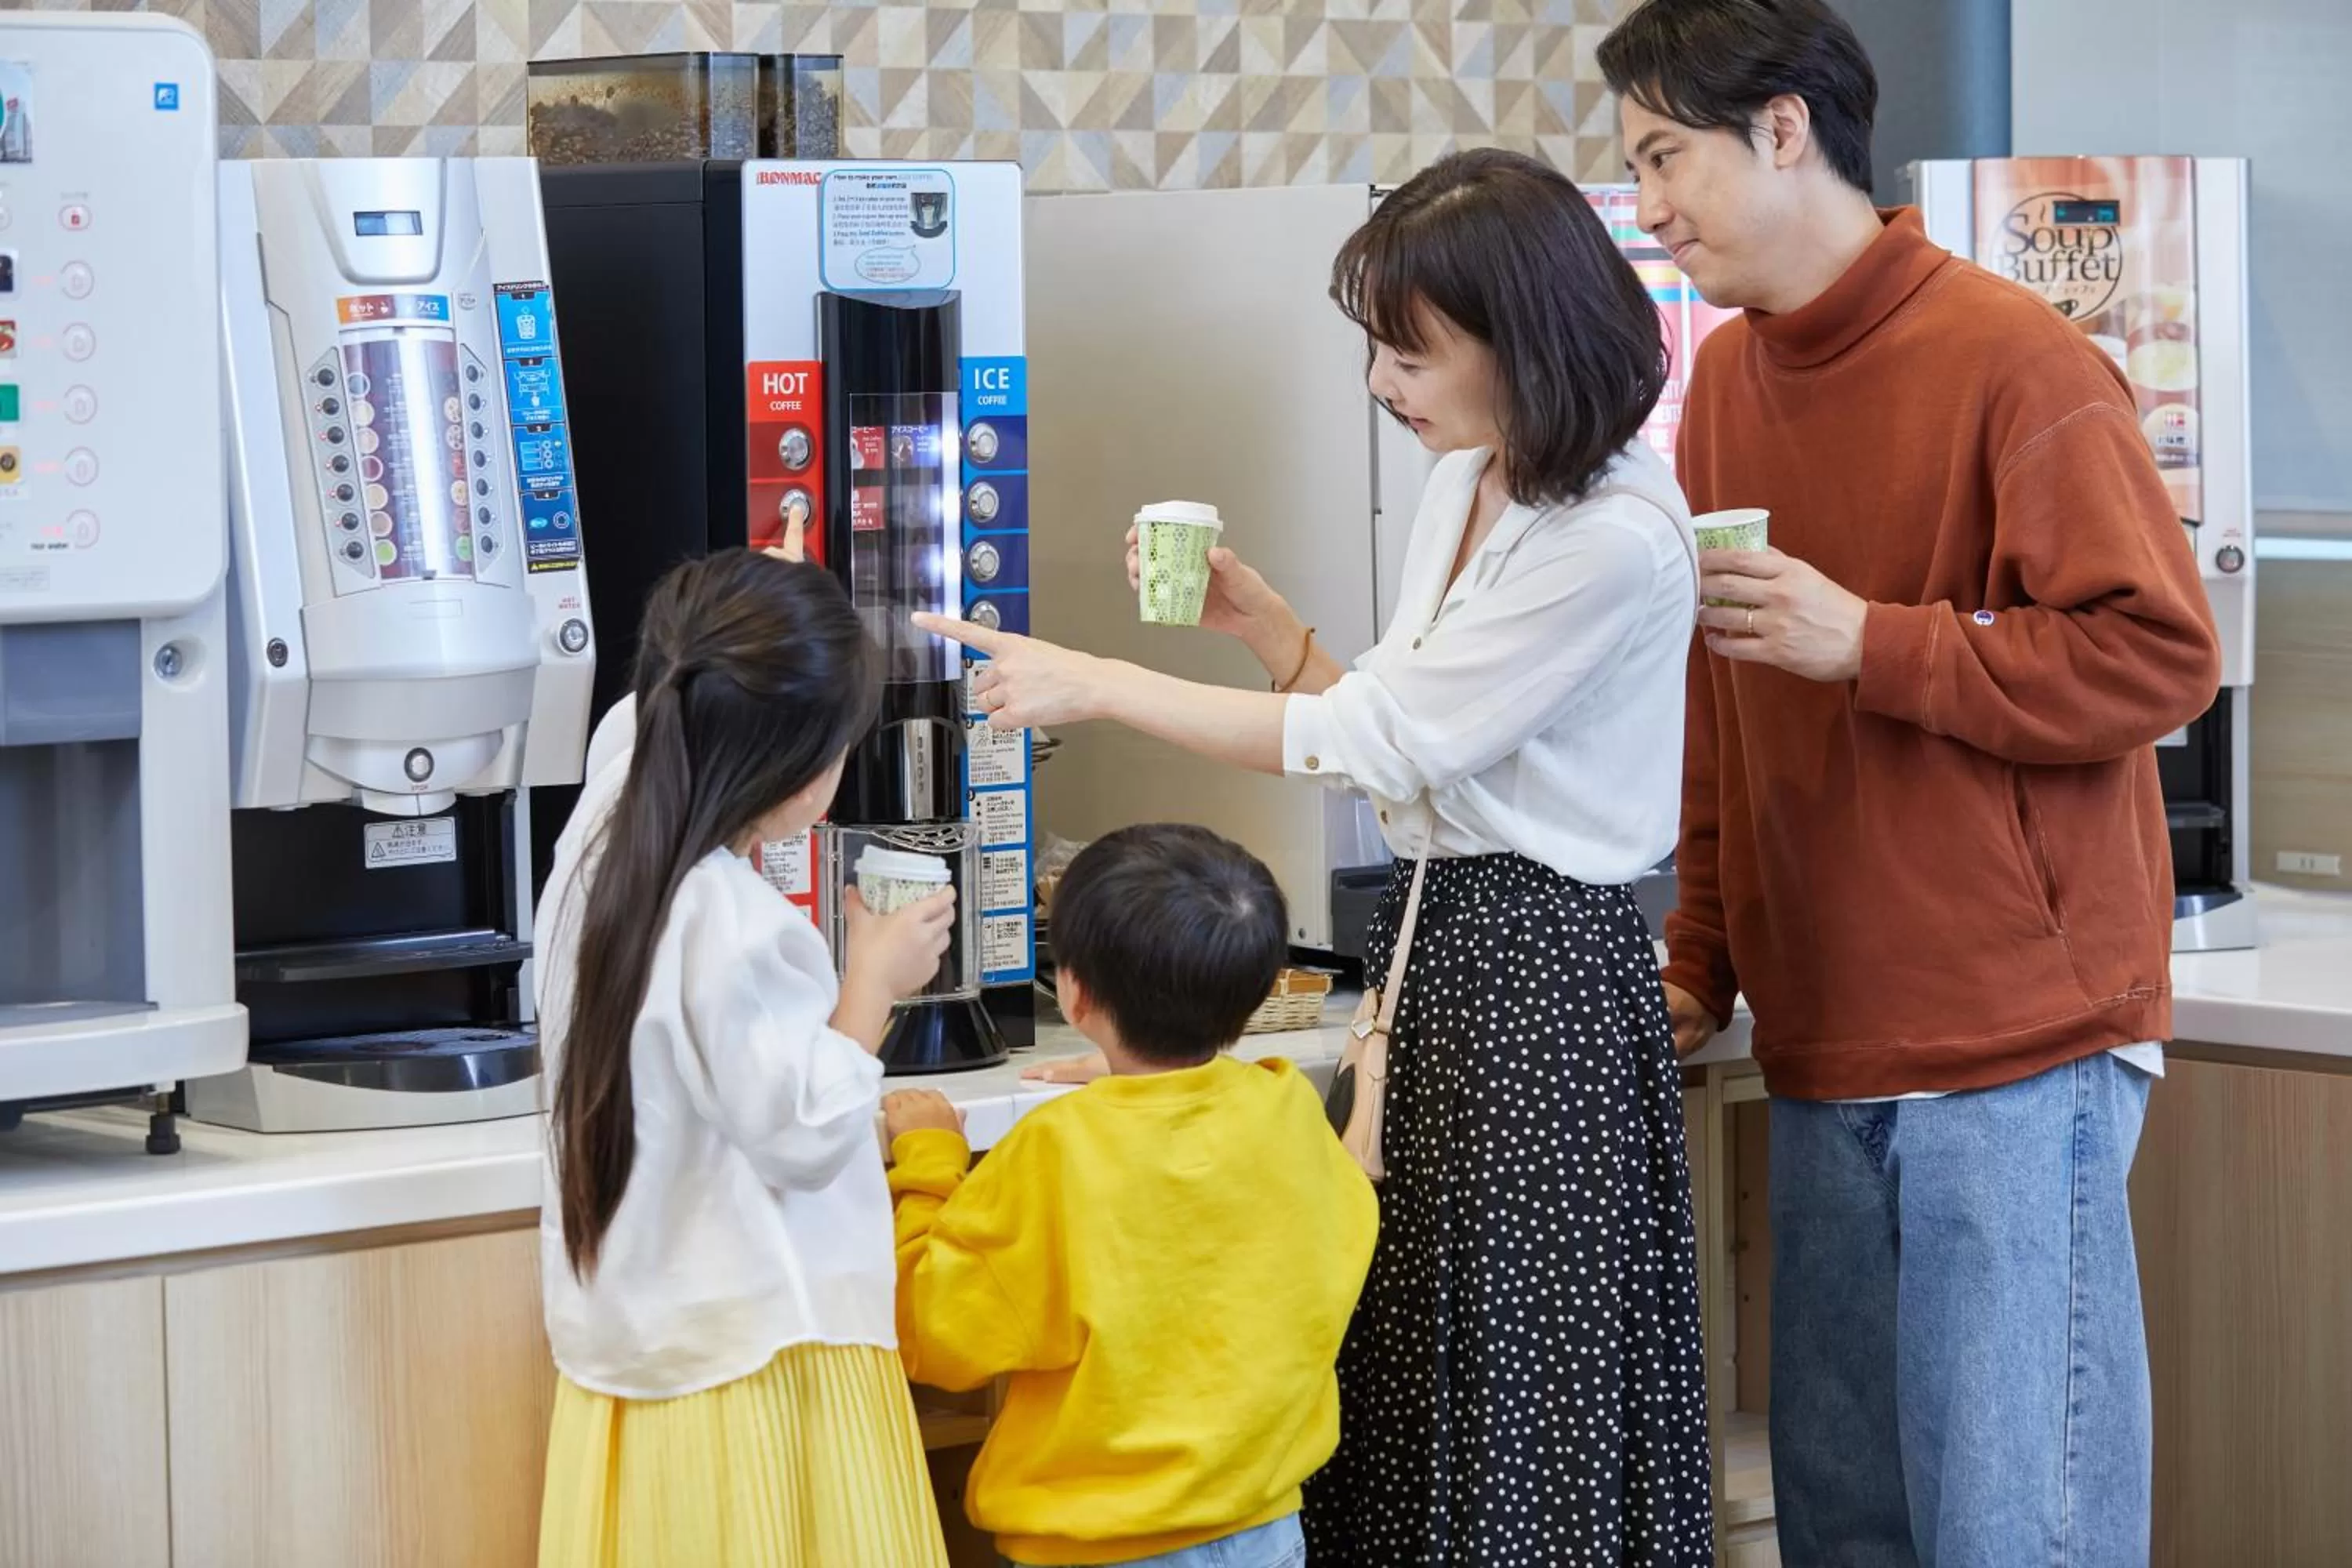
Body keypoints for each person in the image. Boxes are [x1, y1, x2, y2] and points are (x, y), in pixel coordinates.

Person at [916, 148, 1714, 1563]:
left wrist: (1098, 682)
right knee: (1413, 1367)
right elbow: (1409, 733)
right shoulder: (1478, 481)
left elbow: (1381, 745)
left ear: (1521, 340)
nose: (1381, 384)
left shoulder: (1617, 537)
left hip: (1536, 987)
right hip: (1447, 954)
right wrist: (1268, 629)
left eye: (1410, 351)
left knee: (1512, 1397)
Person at [1596, 3, 2225, 1564]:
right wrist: (1699, 960)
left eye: (1666, 157)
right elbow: (1719, 702)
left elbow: (2161, 660)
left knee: (2017, 1533)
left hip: (2019, 1041)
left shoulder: (2020, 359)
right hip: (1824, 1041)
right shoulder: (1729, 381)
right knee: (1849, 1530)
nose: (1649, 205)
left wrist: (1872, 642)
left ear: (1787, 128)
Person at [532, 549, 961, 1567]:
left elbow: (671, 694)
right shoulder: (729, 918)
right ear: (785, 766)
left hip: (648, 1348)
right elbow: (802, 1130)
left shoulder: (608, 833)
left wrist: (757, 606)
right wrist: (875, 983)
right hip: (765, 1359)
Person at [884, 823, 1379, 1568]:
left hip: (1102, 1546)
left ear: (1075, 994)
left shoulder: (1058, 1148)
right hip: (1267, 1531)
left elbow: (935, 1334)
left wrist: (927, 1161)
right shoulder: (1284, 1111)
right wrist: (1146, 1080)